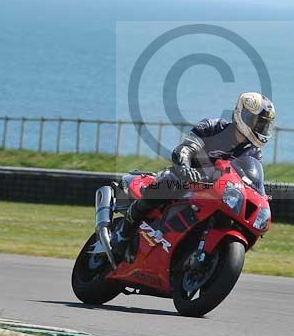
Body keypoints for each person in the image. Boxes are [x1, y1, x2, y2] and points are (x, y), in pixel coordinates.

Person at [114, 92, 276, 262]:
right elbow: (186, 148)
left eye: (265, 125)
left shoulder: (254, 152)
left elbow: (250, 178)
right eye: (259, 122)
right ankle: (124, 233)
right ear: (244, 115)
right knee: (170, 182)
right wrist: (184, 166)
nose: (262, 128)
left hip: (216, 193)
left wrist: (261, 195)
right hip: (187, 179)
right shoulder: (212, 127)